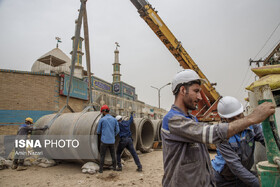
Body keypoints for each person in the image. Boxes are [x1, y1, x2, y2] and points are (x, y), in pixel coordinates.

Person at [161, 69, 275, 187]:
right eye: (196, 91)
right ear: (183, 90)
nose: (200, 97)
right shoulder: (172, 120)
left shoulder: (192, 119)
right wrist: (252, 118)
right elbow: (210, 133)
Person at [211, 96, 265, 187]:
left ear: (242, 112)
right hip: (222, 179)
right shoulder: (222, 137)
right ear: (224, 119)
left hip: (242, 175)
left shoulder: (253, 127)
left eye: (239, 115)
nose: (238, 120)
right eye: (232, 119)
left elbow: (268, 141)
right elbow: (236, 167)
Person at [97, 105, 120, 173]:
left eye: (102, 112)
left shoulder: (102, 119)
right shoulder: (114, 119)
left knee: (102, 155)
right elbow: (118, 130)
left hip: (104, 141)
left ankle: (101, 170)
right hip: (112, 141)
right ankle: (114, 168)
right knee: (113, 155)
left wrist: (103, 134)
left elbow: (98, 131)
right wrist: (113, 135)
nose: (102, 113)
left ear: (104, 111)